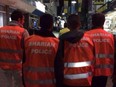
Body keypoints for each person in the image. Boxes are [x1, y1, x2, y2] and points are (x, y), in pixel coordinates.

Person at [54, 14, 95, 87]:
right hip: (86, 79)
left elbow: (58, 62)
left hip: (67, 80)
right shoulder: (90, 39)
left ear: (68, 25)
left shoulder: (62, 39)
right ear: (79, 24)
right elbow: (94, 59)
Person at [23, 14, 59, 87]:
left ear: (39, 24)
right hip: (49, 83)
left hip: (30, 82)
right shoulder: (56, 43)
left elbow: (23, 61)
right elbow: (59, 67)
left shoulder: (28, 40)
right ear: (51, 25)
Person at [0, 9, 29, 87]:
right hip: (17, 67)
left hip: (2, 67)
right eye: (23, 20)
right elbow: (27, 50)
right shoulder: (23, 32)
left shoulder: (1, 30)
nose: (23, 22)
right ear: (19, 19)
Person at [86, 13, 114, 87]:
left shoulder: (86, 35)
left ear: (92, 22)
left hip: (90, 70)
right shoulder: (110, 36)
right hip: (105, 71)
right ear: (104, 22)